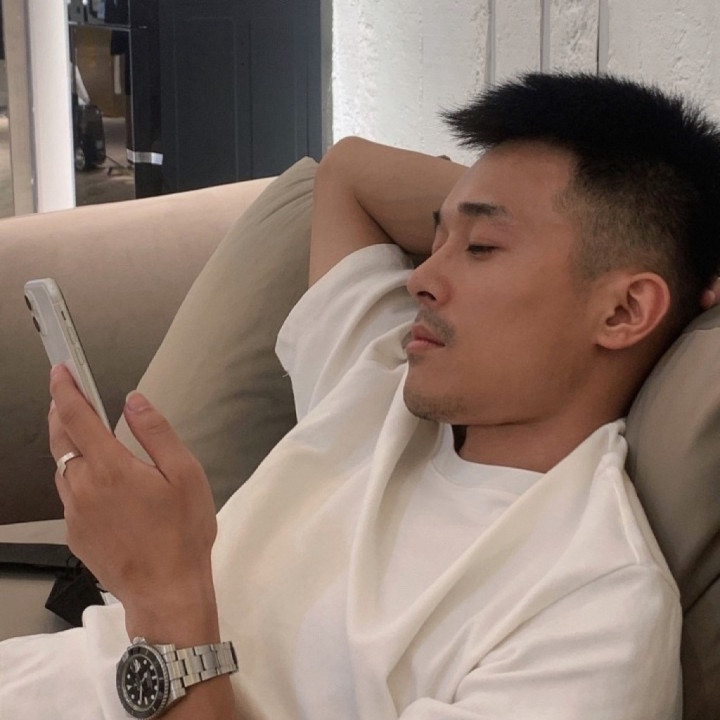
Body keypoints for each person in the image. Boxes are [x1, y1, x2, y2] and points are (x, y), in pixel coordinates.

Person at [2, 72, 720, 719]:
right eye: (436, 239)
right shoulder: (381, 379)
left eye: (482, 248)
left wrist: (164, 595)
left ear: (624, 311)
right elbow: (348, 173)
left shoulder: (590, 610)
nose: (421, 279)